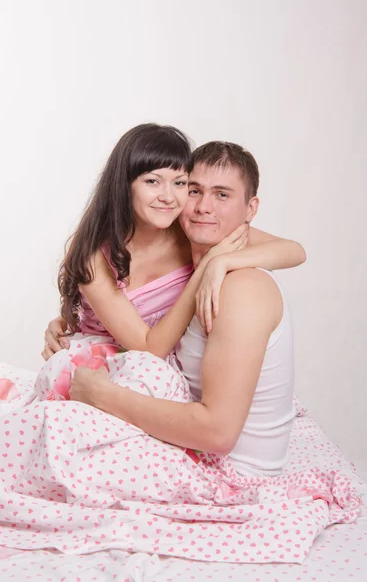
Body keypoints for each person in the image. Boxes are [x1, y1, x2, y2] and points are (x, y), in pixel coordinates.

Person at [67, 140, 297, 477]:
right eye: (193, 190)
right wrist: (69, 322)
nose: (204, 206)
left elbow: (217, 432)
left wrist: (103, 395)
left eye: (222, 195)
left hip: (228, 472)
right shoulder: (184, 242)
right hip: (190, 446)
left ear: (250, 210)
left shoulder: (243, 289)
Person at [43, 123, 305, 362]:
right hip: (104, 368)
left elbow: (294, 251)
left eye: (180, 183)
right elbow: (148, 347)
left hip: (166, 377)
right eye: (152, 181)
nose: (168, 197)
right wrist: (205, 269)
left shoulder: (192, 229)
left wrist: (223, 260)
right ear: (124, 185)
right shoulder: (94, 252)